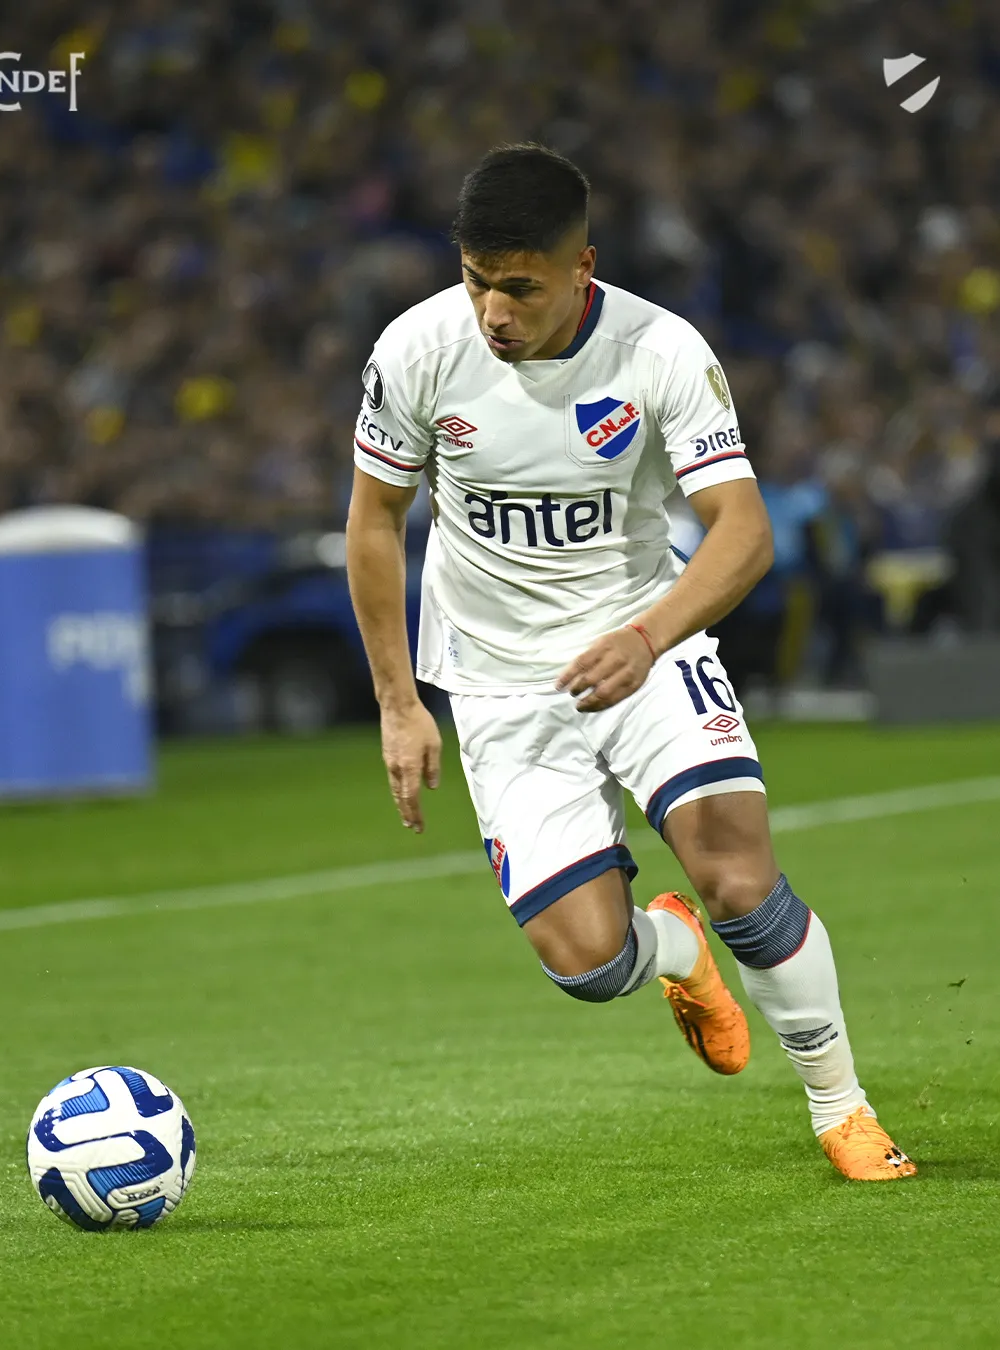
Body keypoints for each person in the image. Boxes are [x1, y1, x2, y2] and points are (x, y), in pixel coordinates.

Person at [345, 144, 914, 1181]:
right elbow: (375, 522)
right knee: (589, 965)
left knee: (737, 875)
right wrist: (398, 700)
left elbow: (743, 530)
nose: (493, 312)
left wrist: (649, 636)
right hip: (498, 683)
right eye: (476, 281)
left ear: (582, 268)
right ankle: (677, 953)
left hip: (645, 644)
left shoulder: (662, 352)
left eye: (520, 287)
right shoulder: (417, 350)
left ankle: (843, 1109)